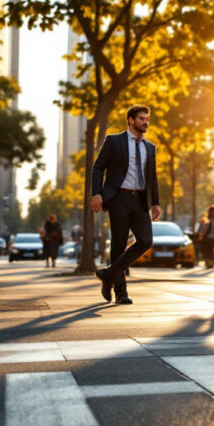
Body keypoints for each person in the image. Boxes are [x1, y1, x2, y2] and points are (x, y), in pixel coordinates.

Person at [90, 105, 162, 304]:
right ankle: (121, 293)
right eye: (141, 118)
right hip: (118, 197)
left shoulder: (150, 147)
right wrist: (97, 193)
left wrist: (155, 203)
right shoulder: (114, 141)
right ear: (131, 120)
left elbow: (152, 178)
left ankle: (108, 275)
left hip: (140, 200)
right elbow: (98, 167)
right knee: (118, 244)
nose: (145, 122)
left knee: (146, 240)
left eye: (147, 119)